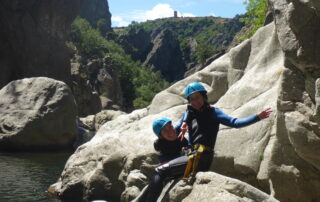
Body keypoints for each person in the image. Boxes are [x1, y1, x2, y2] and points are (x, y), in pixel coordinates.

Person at [177, 82, 272, 178]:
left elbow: (235, 122)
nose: (195, 101)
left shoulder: (214, 113)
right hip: (190, 154)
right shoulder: (189, 115)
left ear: (203, 97)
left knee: (165, 170)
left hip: (202, 156)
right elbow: (175, 130)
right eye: (192, 99)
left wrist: (257, 117)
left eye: (197, 97)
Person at [136, 117, 189, 202]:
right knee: (158, 177)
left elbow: (186, 116)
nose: (170, 131)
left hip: (180, 163)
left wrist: (185, 122)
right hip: (169, 164)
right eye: (165, 131)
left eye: (170, 127)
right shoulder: (160, 144)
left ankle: (153, 168)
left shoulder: (178, 132)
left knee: (158, 175)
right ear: (160, 136)